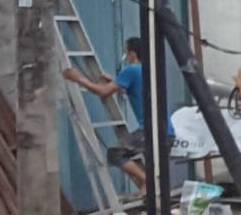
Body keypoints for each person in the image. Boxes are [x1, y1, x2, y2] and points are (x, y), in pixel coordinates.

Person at [62, 37, 172, 198]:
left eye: (126, 51)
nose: (125, 55)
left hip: (151, 131)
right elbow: (134, 88)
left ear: (132, 54)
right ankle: (149, 187)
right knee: (153, 175)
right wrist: (115, 81)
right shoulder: (148, 70)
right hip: (167, 132)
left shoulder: (131, 70)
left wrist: (78, 79)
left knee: (114, 153)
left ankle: (147, 181)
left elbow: (103, 92)